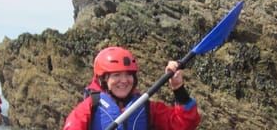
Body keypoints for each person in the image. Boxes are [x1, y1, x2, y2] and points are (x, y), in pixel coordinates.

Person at [63, 46, 201, 130]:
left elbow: (184, 124)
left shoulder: (146, 107)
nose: (124, 81)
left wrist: (178, 88)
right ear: (103, 79)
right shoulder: (88, 109)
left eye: (129, 74)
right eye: (116, 75)